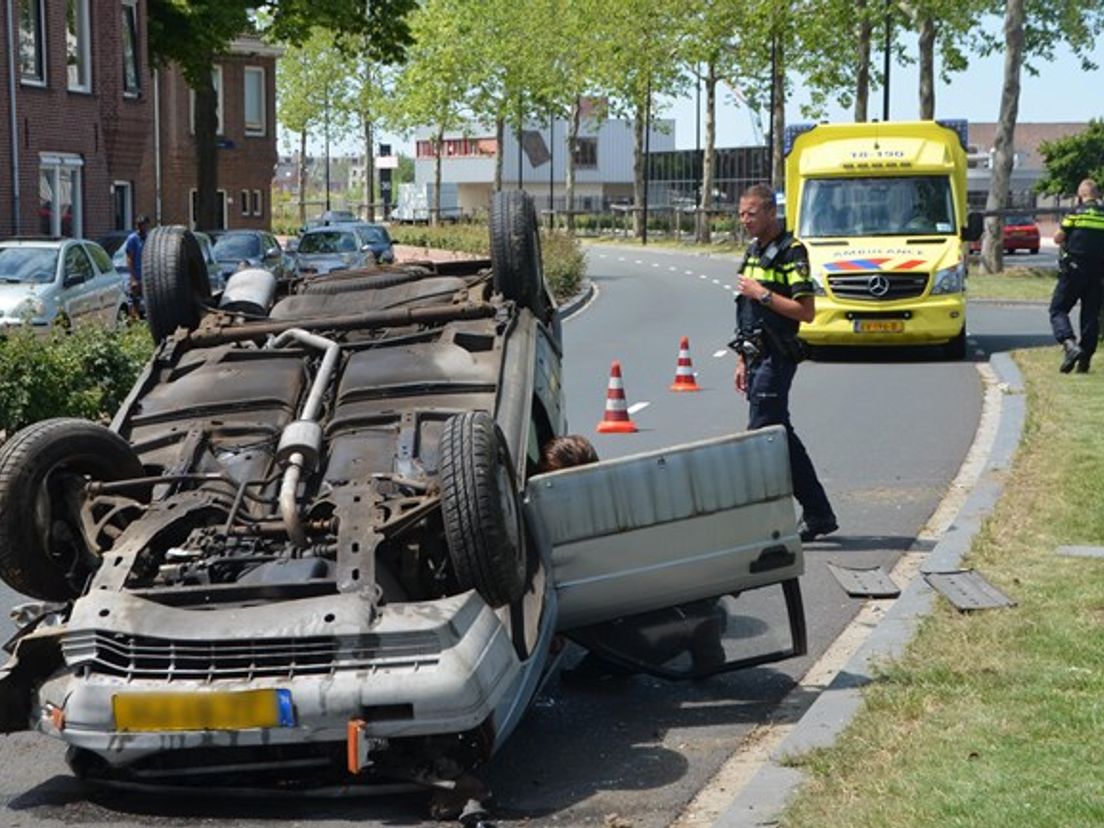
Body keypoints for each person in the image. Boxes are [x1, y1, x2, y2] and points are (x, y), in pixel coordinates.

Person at [538, 435, 727, 680]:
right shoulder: (624, 497)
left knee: (607, 667)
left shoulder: (567, 516)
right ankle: (699, 624)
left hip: (632, 607)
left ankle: (697, 628)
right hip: (647, 596)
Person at [733, 184, 837, 543]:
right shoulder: (753, 251)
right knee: (779, 437)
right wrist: (742, 360)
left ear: (770, 213)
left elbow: (805, 312)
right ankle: (819, 513)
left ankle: (759, 521)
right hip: (757, 358)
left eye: (751, 213)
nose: (744, 219)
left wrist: (761, 293)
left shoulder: (792, 252)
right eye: (741, 213)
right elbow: (746, 312)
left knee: (762, 435)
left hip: (778, 356)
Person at [1049, 178, 1104, 373]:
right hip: (1098, 273)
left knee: (1058, 309)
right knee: (1090, 315)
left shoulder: (1075, 213)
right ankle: (1084, 361)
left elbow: (1058, 238)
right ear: (1096, 195)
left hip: (1074, 269)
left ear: (1081, 195)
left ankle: (1069, 344)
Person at [123, 215, 150, 320]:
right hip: (137, 276)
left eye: (144, 225)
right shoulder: (133, 239)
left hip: (147, 276)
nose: (142, 227)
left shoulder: (148, 238)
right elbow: (129, 258)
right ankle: (135, 323)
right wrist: (133, 278)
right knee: (135, 301)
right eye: (140, 225)